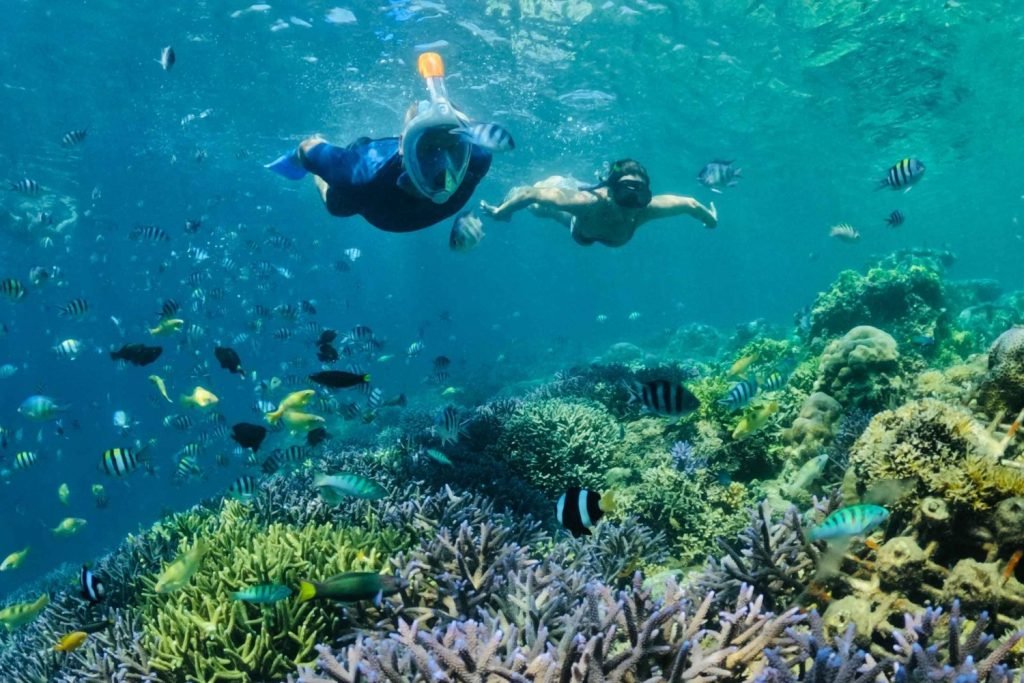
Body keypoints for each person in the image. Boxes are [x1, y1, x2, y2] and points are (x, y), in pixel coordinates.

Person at [266, 52, 491, 233]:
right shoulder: (362, 175)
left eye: (452, 147)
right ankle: (316, 167)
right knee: (336, 207)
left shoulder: (478, 156)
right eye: (428, 149)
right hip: (373, 189)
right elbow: (308, 149)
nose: (440, 165)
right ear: (403, 147)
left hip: (388, 213)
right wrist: (301, 157)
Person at [480, 159, 717, 247]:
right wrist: (502, 211)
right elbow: (530, 194)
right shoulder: (588, 203)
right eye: (625, 194)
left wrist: (711, 220)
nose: (631, 203)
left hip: (592, 220)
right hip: (577, 222)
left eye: (640, 196)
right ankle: (559, 181)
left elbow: (690, 204)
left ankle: (568, 181)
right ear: (611, 192)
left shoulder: (644, 211)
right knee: (539, 205)